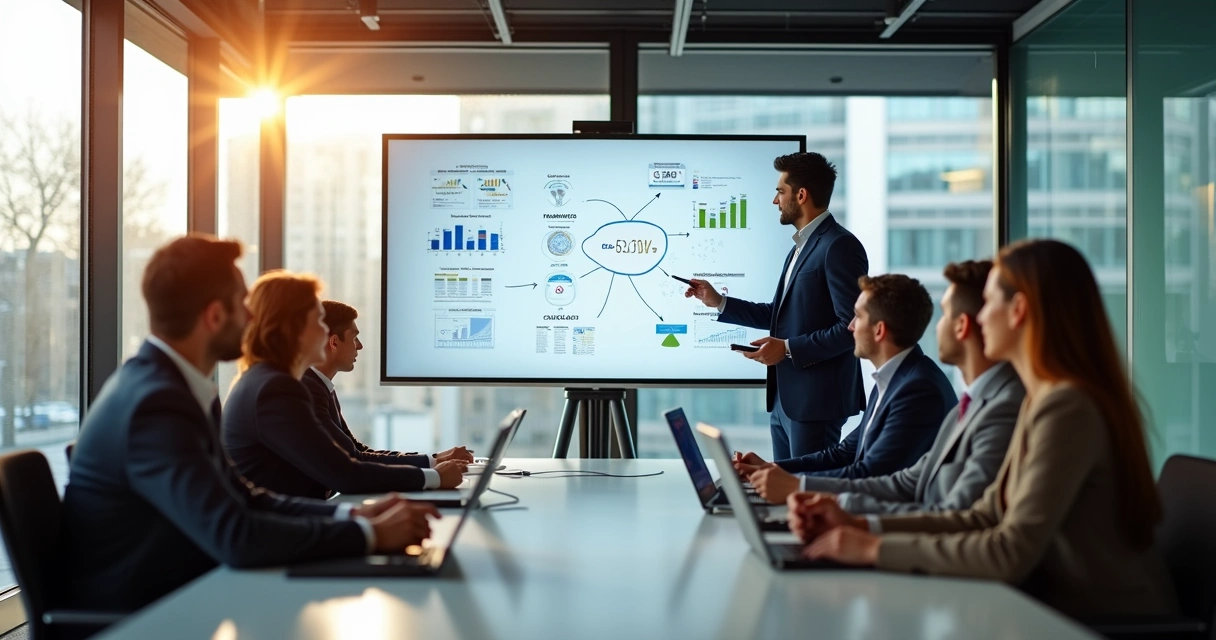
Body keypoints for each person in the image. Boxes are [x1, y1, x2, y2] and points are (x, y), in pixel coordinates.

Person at [788, 239, 1178, 619]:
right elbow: (982, 515)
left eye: (989, 302)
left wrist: (871, 548)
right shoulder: (1039, 400)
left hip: (1097, 623)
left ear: (1018, 310)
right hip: (1048, 609)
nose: (977, 318)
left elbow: (1009, 551)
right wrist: (860, 526)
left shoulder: (1066, 407)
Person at [58, 235, 438, 612]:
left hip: (183, 591)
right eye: (243, 303)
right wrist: (368, 534)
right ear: (214, 316)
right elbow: (235, 535)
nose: (253, 316)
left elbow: (245, 498)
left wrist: (352, 514)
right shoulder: (156, 404)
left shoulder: (168, 386)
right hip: (145, 616)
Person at [790, 260, 1022, 522]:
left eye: (944, 313)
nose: (850, 326)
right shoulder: (960, 402)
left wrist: (856, 524)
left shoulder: (924, 390)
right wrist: (780, 474)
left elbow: (955, 514)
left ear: (962, 325)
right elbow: (903, 479)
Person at [685, 152, 868, 459]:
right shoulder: (802, 246)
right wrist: (717, 301)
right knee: (782, 492)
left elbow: (851, 329)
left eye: (780, 192)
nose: (775, 200)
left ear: (801, 194)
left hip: (815, 403)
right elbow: (779, 314)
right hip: (786, 400)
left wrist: (785, 348)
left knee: (803, 495)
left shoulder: (838, 246)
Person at [222, 272, 467, 500]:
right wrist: (434, 477)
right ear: (295, 329)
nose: (324, 330)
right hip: (286, 531)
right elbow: (345, 474)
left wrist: (432, 467)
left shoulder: (269, 381)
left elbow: (347, 458)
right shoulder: (275, 389)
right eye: (318, 320)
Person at [737, 274, 957, 504]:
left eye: (858, 316)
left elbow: (871, 474)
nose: (850, 326)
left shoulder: (918, 390)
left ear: (879, 330)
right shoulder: (895, 378)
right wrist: (771, 468)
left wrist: (795, 485)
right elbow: (843, 454)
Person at [303, 300, 474, 468]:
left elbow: (357, 449)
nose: (360, 346)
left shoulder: (323, 387)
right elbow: (355, 458)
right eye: (355, 337)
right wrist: (435, 467)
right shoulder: (310, 391)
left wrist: (436, 458)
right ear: (334, 343)